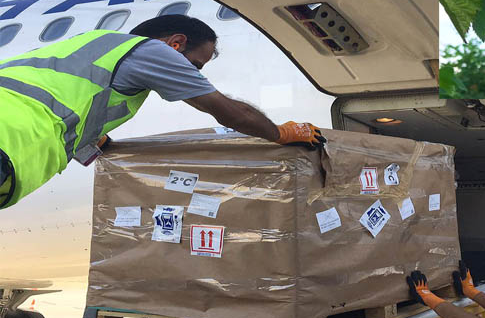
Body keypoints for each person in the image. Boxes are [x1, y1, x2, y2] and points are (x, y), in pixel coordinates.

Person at [0, 15, 325, 209]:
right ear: (176, 43)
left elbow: (70, 107)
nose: (195, 73)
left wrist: (93, 142)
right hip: (10, 137)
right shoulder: (151, 50)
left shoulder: (91, 47)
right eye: (196, 64)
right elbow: (230, 113)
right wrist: (280, 133)